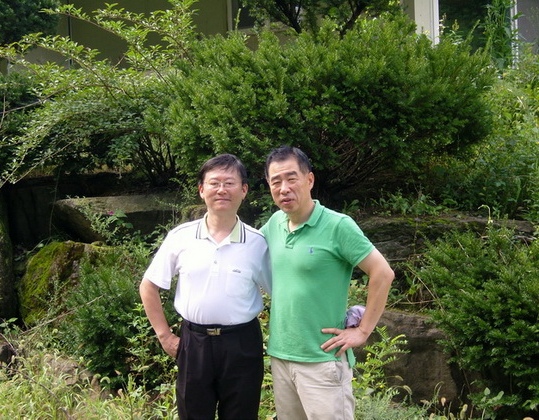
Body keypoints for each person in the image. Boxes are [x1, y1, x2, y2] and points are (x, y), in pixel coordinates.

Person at [260, 145, 395, 420]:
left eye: (291, 178)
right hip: (281, 357)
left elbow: (383, 273)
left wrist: (363, 330)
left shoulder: (338, 225)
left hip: (323, 361)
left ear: (309, 179)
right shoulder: (274, 224)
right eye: (276, 182)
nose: (284, 188)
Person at [139, 154, 272, 420]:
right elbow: (148, 286)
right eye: (214, 183)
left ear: (244, 190)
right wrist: (165, 336)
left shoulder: (258, 243)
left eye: (230, 183)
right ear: (201, 190)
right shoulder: (181, 237)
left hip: (243, 344)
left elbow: (282, 294)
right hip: (194, 343)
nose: (222, 190)